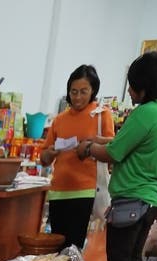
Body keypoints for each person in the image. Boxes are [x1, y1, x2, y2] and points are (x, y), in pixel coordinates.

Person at [77, 51, 157, 261]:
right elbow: (128, 142)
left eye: (133, 86)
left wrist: (88, 147)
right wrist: (99, 139)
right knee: (132, 257)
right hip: (150, 197)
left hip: (132, 196)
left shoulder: (145, 112)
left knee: (119, 258)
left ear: (145, 85)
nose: (130, 92)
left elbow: (114, 153)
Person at [40, 64, 114, 249]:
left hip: (85, 190)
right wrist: (49, 153)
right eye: (73, 92)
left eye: (83, 91)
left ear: (93, 91)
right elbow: (43, 157)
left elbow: (113, 147)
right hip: (58, 191)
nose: (78, 97)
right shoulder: (60, 119)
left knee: (73, 248)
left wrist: (91, 145)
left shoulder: (101, 115)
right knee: (56, 247)